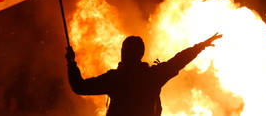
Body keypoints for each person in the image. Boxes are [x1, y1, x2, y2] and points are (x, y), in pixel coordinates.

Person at [66, 32, 222, 116]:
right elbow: (179, 60)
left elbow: (80, 87)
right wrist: (201, 46)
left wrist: (72, 63)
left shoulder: (115, 78)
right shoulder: (153, 75)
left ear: (123, 52)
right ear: (141, 54)